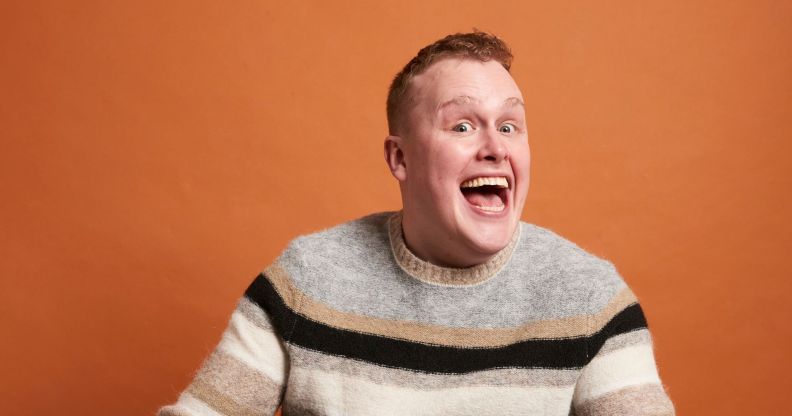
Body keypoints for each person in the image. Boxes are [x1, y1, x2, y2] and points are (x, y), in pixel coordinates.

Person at [159, 32, 675, 415]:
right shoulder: (307, 282)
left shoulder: (588, 297)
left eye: (509, 125)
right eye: (463, 125)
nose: (495, 147)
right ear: (400, 158)